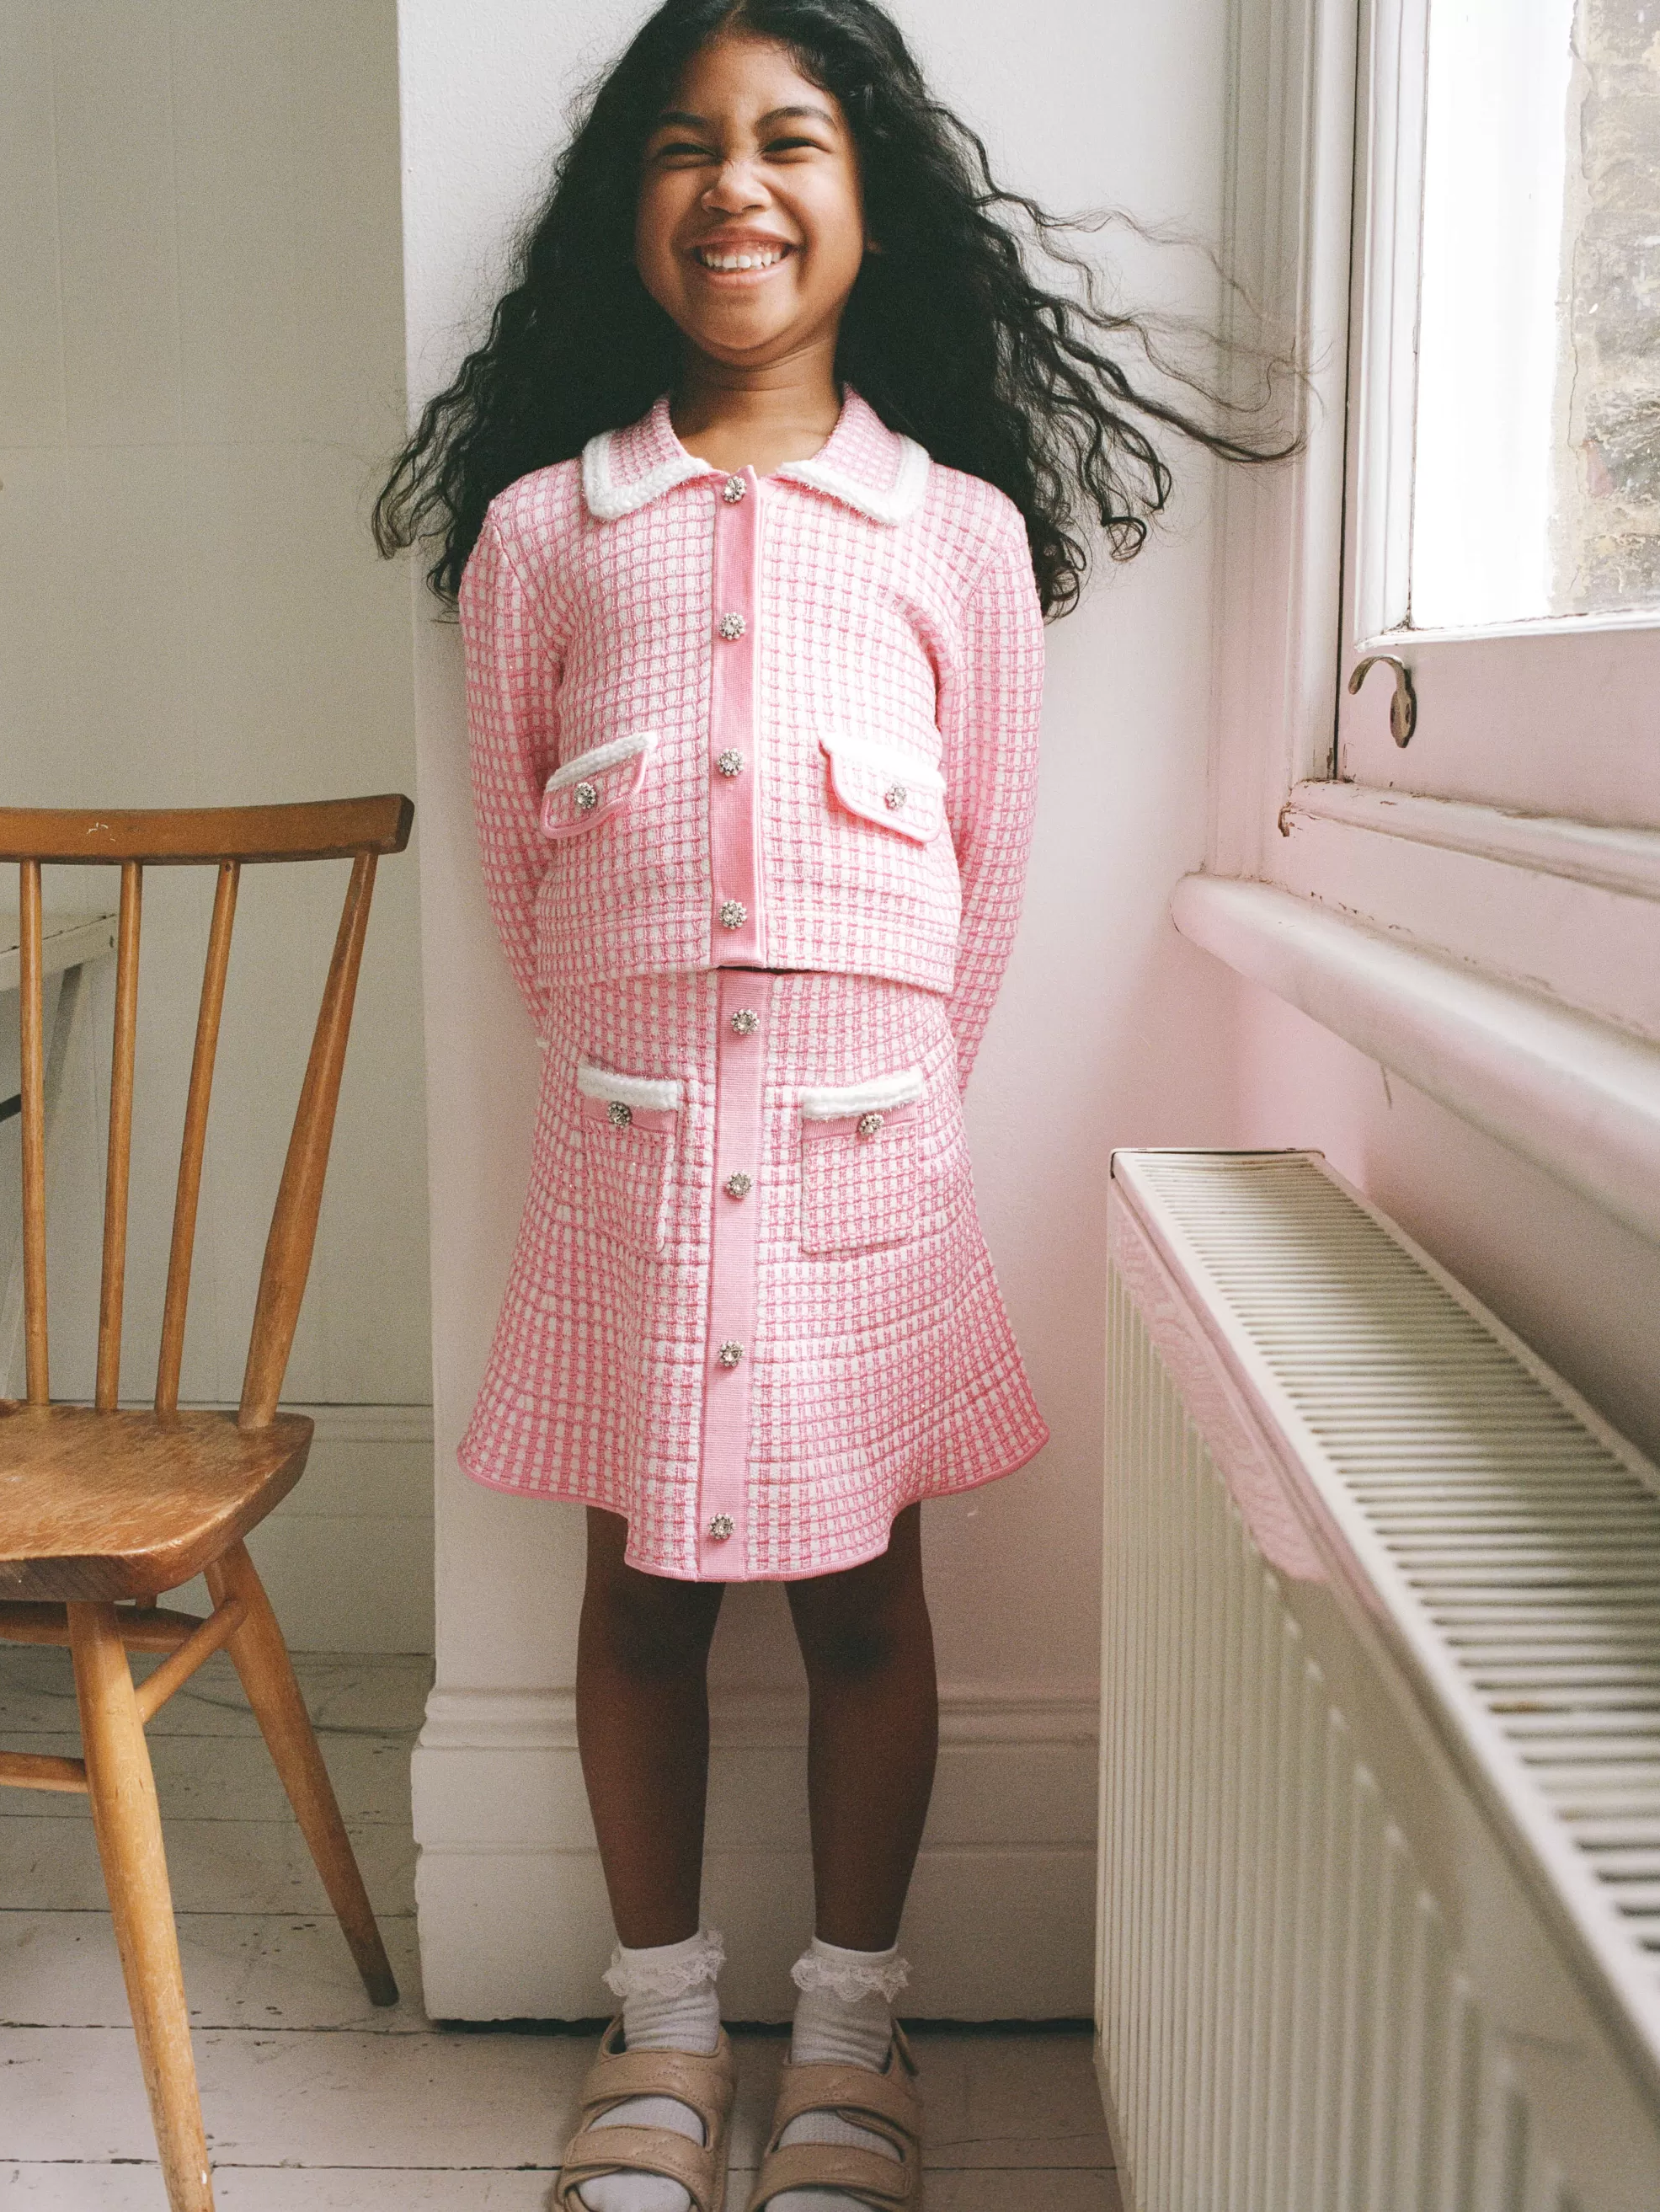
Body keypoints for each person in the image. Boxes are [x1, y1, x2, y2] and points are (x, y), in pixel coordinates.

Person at [375, 5, 1292, 2206]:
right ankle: (666, 2021)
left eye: (792, 140)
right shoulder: (540, 536)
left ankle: (855, 2041)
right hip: (625, 1156)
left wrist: (866, 1124)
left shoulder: (953, 534)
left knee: (870, 1602)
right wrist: (648, 1083)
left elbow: (979, 874)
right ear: (632, 207)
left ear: (871, 200)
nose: (739, 185)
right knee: (638, 1598)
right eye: (684, 146)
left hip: (867, 1168)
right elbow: (521, 867)